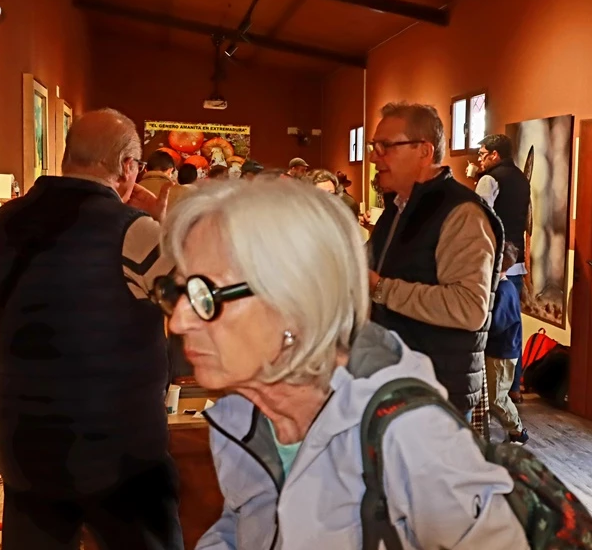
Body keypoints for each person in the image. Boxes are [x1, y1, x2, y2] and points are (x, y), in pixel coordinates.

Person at [153, 177, 527, 549]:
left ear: (295, 304)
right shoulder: (243, 416)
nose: (179, 321)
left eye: (205, 295)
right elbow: (247, 527)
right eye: (178, 291)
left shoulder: (409, 434)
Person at [0, 109, 183, 549]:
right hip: (123, 447)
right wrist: (168, 226)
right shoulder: (136, 232)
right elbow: (192, 308)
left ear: (65, 157)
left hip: (24, 443)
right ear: (128, 167)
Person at [367, 102, 503, 419]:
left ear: (424, 151)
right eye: (375, 146)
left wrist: (380, 288)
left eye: (385, 146)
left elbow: (469, 307)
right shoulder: (398, 209)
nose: (375, 156)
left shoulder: (462, 213)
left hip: (436, 395)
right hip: (396, 383)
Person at [475, 134, 531, 403]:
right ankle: (514, 388)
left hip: (494, 262)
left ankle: (486, 388)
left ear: (494, 155)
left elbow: (480, 219)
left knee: (486, 323)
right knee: (513, 326)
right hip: (516, 259)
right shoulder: (521, 178)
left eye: (482, 154)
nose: (480, 159)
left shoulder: (489, 179)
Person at [486, 242, 528, 444]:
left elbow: (497, 324)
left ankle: (518, 431)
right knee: (490, 394)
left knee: (497, 397)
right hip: (499, 350)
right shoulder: (505, 287)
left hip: (501, 353)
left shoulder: (503, 291)